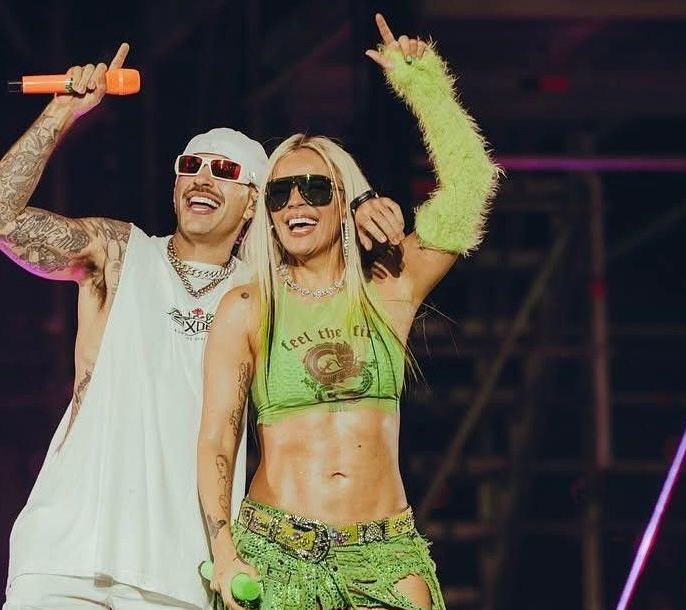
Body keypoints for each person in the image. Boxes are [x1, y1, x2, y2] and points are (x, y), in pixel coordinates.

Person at [0, 42, 408, 610]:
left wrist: (361, 202)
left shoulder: (269, 297)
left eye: (224, 171)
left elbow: (344, 257)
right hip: (68, 551)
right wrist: (62, 111)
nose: (202, 178)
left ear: (254, 203)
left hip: (183, 571)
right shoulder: (120, 255)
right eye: (190, 167)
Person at [197, 14, 501, 610]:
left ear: (345, 202)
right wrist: (225, 552)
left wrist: (425, 88)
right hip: (277, 555)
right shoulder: (249, 306)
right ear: (269, 214)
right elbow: (217, 439)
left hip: (386, 554)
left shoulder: (390, 285)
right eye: (281, 193)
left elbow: (470, 188)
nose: (297, 203)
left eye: (315, 189)